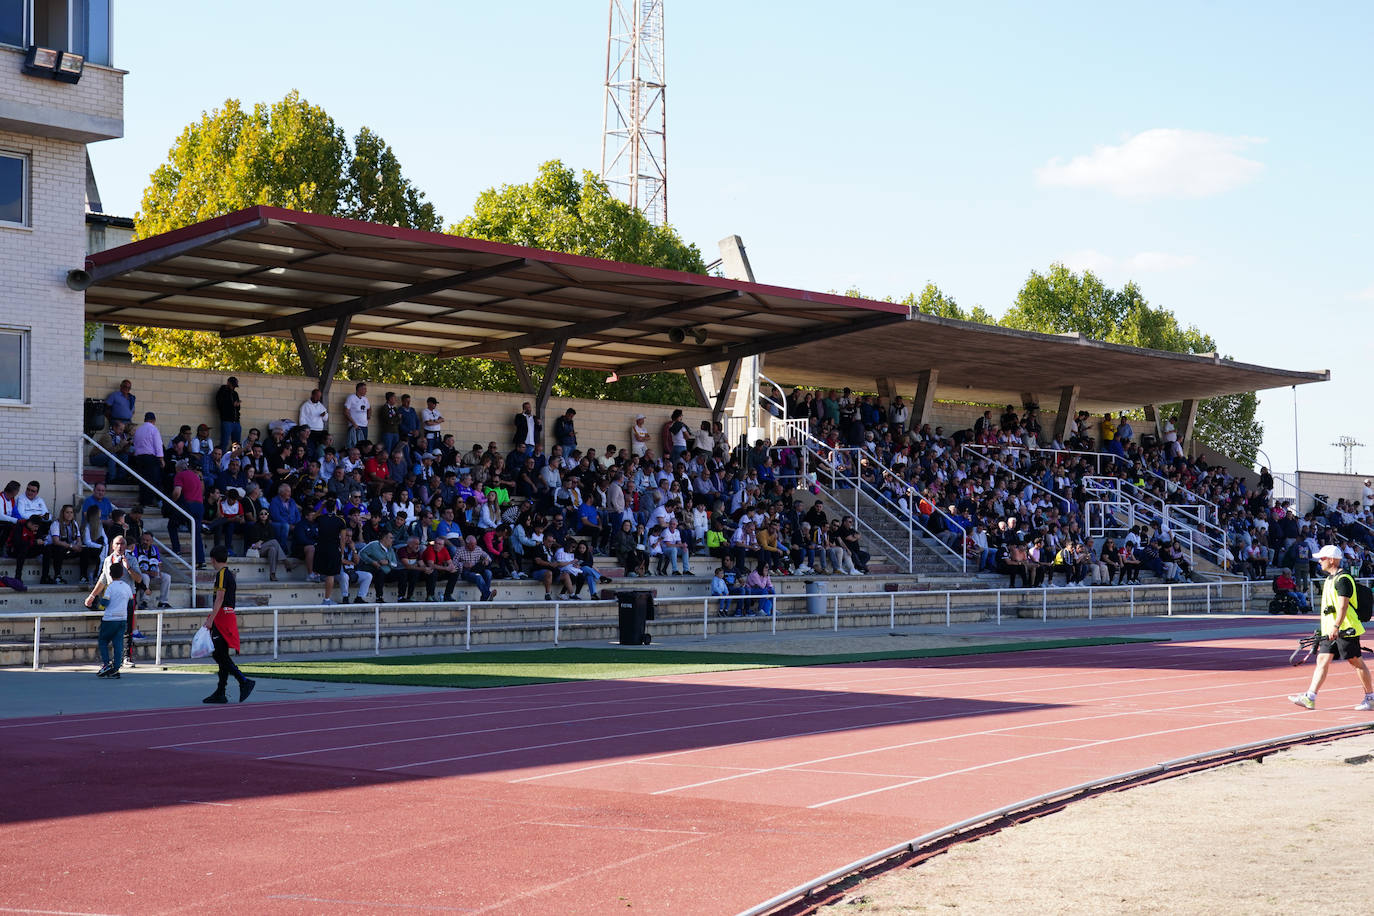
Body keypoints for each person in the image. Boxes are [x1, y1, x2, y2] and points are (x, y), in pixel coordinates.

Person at [1290, 544, 1374, 711]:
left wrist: (1335, 626)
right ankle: (1310, 697)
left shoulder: (1343, 579)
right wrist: (1325, 629)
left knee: (1356, 662)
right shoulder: (1330, 579)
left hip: (1345, 629)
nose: (1319, 561)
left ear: (1332, 560)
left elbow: (1343, 606)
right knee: (1322, 660)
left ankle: (1370, 698)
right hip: (1331, 631)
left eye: (1322, 558)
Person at [202, 545, 255, 704]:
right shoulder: (228, 573)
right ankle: (221, 691)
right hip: (227, 614)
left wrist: (211, 618)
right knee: (221, 653)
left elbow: (220, 597)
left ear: (213, 559)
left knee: (219, 654)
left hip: (222, 616)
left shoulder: (222, 574)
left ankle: (243, 680)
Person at [90, 562, 134, 679]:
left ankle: (106, 664)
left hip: (110, 619)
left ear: (110, 574)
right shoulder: (127, 586)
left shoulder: (110, 587)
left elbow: (105, 603)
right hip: (122, 619)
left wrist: (98, 606)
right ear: (122, 573)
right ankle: (115, 668)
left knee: (103, 641)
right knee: (118, 643)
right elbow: (131, 603)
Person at [216, 376, 242, 450]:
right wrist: (232, 405)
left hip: (236, 421)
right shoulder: (222, 392)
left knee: (236, 443)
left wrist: (237, 405)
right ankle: (222, 459)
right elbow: (219, 405)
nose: (233, 387)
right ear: (228, 383)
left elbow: (238, 408)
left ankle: (235, 459)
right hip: (226, 420)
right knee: (224, 442)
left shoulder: (235, 393)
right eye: (232, 385)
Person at [344, 381, 371, 449]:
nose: (366, 391)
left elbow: (369, 408)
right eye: (364, 389)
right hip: (355, 427)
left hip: (364, 426)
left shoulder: (365, 399)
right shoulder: (351, 397)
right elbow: (346, 412)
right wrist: (354, 424)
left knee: (364, 446)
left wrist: (368, 418)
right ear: (359, 389)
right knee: (355, 445)